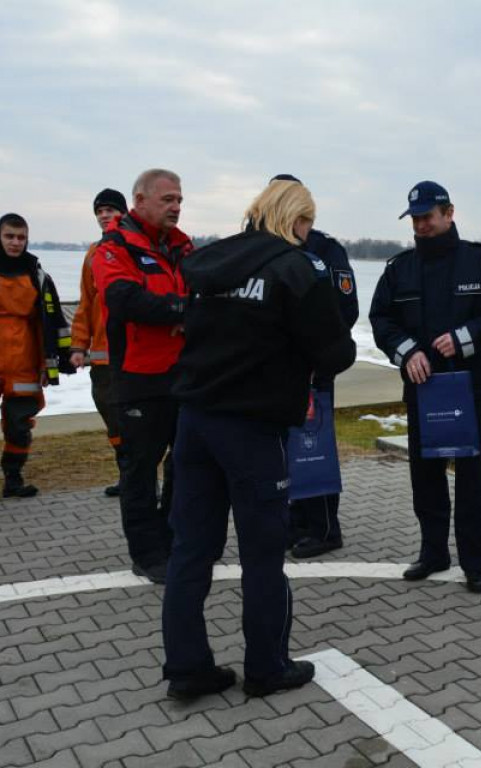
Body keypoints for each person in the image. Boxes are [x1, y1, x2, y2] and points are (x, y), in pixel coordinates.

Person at [162, 180, 356, 700]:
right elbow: (335, 352)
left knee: (191, 550)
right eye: (308, 224)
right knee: (264, 554)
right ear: (296, 220)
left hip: (195, 421)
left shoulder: (209, 262)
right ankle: (267, 666)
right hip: (252, 429)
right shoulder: (293, 269)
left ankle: (187, 667)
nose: (308, 234)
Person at [370, 180, 481, 594]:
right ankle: (433, 552)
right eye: (414, 220)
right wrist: (407, 352)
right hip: (423, 388)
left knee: (473, 479)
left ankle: (475, 563)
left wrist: (464, 338)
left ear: (449, 213)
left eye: (427, 218)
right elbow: (381, 320)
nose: (420, 226)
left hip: (472, 388)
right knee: (425, 475)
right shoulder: (399, 269)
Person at [92, 169, 191, 584]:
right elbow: (125, 299)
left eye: (179, 200)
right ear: (140, 200)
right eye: (167, 199)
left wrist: (179, 309)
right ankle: (147, 554)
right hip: (137, 378)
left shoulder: (183, 248)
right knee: (139, 469)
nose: (176, 206)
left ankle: (173, 540)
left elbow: (204, 293)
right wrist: (181, 311)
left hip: (183, 376)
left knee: (184, 464)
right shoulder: (112, 248)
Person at [269, 174, 359, 559]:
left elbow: (346, 310)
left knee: (314, 445)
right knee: (285, 449)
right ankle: (296, 520)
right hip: (274, 370)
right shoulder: (267, 246)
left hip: (313, 368)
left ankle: (324, 527)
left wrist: (314, 351)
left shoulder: (326, 250)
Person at [0, 213, 74, 497]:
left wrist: (55, 362)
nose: (16, 242)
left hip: (24, 361)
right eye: (10, 236)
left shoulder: (38, 275)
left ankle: (13, 477)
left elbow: (54, 322)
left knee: (19, 424)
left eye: (21, 237)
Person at [70, 188, 129, 497]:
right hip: (103, 357)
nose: (104, 215)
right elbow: (85, 302)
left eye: (110, 209)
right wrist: (79, 346)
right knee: (113, 419)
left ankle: (141, 477)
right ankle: (127, 474)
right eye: (100, 211)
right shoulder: (93, 252)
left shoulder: (134, 244)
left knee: (137, 420)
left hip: (133, 354)